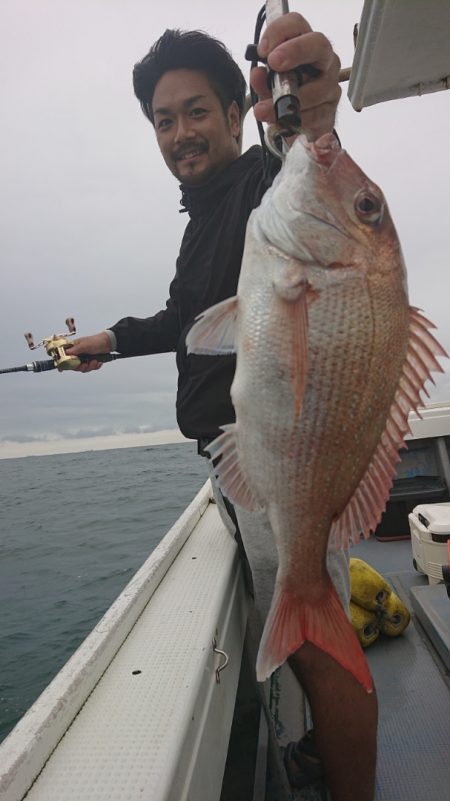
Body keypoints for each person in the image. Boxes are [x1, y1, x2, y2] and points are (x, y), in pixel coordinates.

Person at [67, 12, 378, 801]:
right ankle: (316, 746)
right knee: (300, 636)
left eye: (197, 111)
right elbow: (184, 319)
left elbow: (299, 159)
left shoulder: (261, 183)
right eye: (163, 120)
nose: (179, 133)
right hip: (245, 465)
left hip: (285, 455)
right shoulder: (202, 219)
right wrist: (108, 337)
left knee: (321, 646)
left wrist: (311, 105)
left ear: (239, 112)